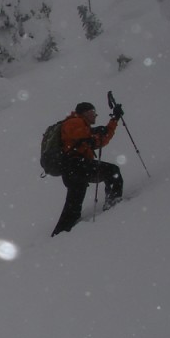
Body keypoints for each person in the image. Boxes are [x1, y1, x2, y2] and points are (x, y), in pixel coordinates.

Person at [51, 100, 124, 236]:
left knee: (74, 204)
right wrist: (94, 131)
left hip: (73, 169)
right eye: (92, 112)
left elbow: (102, 139)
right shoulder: (74, 121)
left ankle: (60, 234)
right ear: (84, 113)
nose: (95, 115)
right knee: (112, 171)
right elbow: (78, 133)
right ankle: (113, 203)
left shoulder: (84, 129)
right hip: (76, 165)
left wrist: (114, 120)